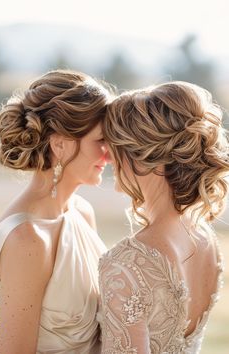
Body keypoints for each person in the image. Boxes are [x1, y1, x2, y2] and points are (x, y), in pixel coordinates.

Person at [98, 81, 229, 353]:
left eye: (116, 147)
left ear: (147, 159)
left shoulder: (127, 264)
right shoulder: (205, 238)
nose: (109, 158)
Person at [0, 69, 111, 354]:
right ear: (60, 144)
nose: (109, 153)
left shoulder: (82, 212)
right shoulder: (26, 239)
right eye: (100, 141)